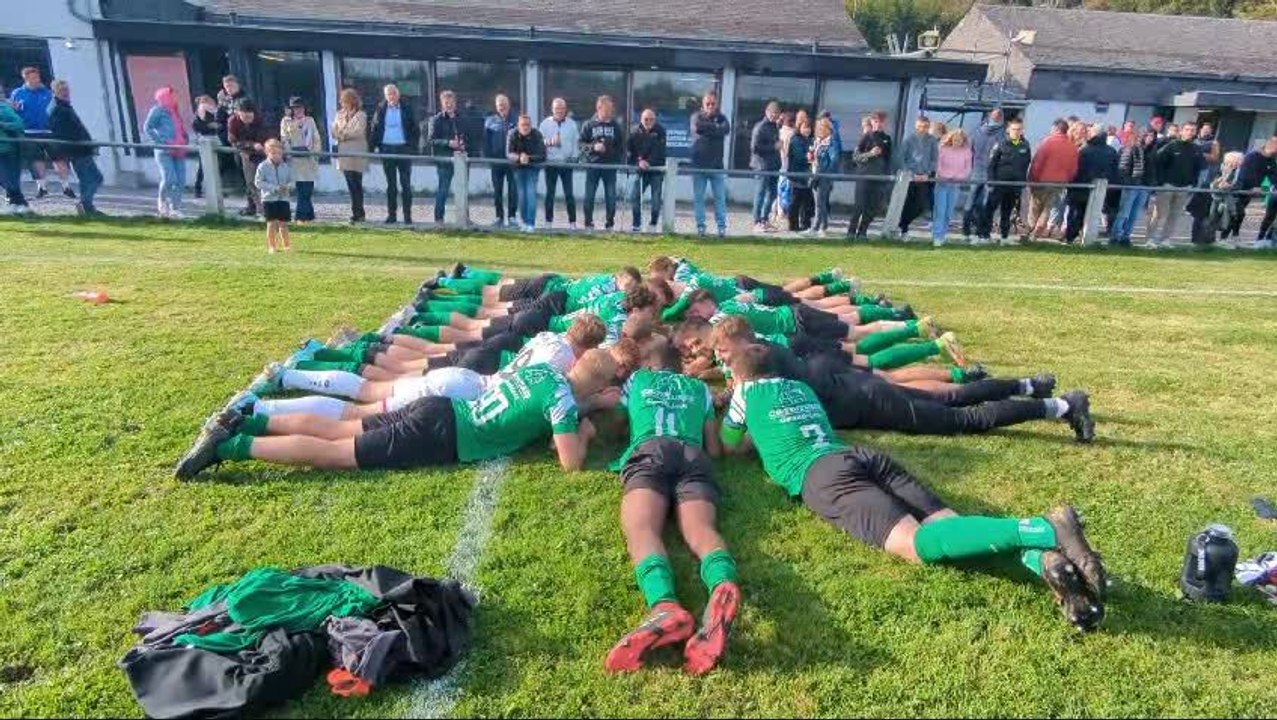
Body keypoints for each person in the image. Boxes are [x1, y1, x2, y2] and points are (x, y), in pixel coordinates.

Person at [720, 345, 1107, 632]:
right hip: (859, 455)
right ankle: (1042, 560)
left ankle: (1043, 528)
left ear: (739, 377)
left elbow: (728, 444)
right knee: (950, 528)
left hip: (821, 475)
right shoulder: (800, 389)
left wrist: (738, 416)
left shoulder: (744, 394)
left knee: (916, 544)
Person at [175, 349, 619, 479]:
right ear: (597, 385)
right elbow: (570, 461)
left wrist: (587, 403)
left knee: (340, 424)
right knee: (337, 452)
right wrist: (584, 428)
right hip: (444, 434)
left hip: (442, 406)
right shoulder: (563, 405)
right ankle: (232, 445)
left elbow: (540, 399)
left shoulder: (548, 374)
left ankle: (251, 420)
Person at [710, 316, 1095, 442]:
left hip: (867, 402)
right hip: (858, 386)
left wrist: (725, 400)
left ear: (741, 343)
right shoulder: (769, 349)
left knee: (963, 418)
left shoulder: (756, 367)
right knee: (951, 399)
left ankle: (1062, 406)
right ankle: (1029, 385)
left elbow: (737, 423)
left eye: (723, 351)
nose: (721, 359)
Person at [604, 338, 741, 675]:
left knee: (642, 529)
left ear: (648, 364)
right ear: (679, 364)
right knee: (701, 530)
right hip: (694, 455)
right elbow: (714, 445)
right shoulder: (699, 388)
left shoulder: (637, 380)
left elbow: (616, 425)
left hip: (651, 451)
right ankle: (722, 582)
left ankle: (665, 604)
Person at [9, 67, 71, 199]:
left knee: (59, 159)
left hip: (49, 132)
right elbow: (13, 111)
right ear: (26, 79)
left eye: (37, 77)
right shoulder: (17, 93)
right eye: (33, 78)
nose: (36, 80)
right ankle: (42, 187)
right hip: (29, 132)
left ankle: (66, 187)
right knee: (36, 160)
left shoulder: (48, 93)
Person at [47, 80, 103, 217]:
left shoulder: (63, 106)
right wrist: (85, 143)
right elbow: (66, 133)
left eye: (66, 89)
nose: (65, 92)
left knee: (88, 179)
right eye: (61, 90)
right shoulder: (58, 109)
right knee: (95, 178)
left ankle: (87, 206)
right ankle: (84, 204)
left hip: (80, 149)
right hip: (77, 150)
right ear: (54, 92)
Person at [1146, 122, 1205, 249]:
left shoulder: (1196, 149)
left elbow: (1199, 168)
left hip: (1185, 187)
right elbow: (1156, 161)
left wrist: (1192, 183)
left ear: (1196, 132)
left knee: (1174, 215)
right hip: (1167, 185)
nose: (1190, 132)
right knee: (1159, 214)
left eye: (1193, 130)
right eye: (1187, 129)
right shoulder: (1171, 146)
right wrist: (1160, 181)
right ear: (1181, 131)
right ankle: (1150, 239)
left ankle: (1165, 239)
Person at [369, 84, 419, 225]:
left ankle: (407, 216)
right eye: (388, 94)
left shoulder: (407, 108)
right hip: (387, 149)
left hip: (403, 149)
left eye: (394, 93)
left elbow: (415, 128)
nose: (391, 96)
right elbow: (375, 127)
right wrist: (372, 148)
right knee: (391, 185)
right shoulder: (380, 108)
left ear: (398, 94)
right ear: (385, 96)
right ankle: (392, 216)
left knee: (406, 184)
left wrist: (412, 147)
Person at [976, 118, 1030, 246]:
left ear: (1022, 130)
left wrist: (1021, 184)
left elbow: (1026, 165)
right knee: (989, 210)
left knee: (1007, 211)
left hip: (1013, 186)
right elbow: (991, 165)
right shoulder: (1000, 144)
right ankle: (984, 235)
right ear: (1008, 130)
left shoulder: (1025, 145)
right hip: (998, 184)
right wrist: (991, 182)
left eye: (1019, 129)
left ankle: (1004, 237)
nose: (1016, 132)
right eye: (1014, 129)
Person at [1065, 124, 1119, 245]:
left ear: (1094, 134)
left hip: (1081, 187)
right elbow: (1114, 172)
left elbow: (1076, 169)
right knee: (1092, 216)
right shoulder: (1112, 151)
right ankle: (1087, 239)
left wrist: (1071, 185)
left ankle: (1070, 238)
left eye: (1090, 132)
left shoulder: (1084, 150)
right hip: (1101, 190)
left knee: (1076, 214)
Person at [1027, 119, 1080, 241]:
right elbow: (1073, 168)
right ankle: (1037, 233)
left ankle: (1031, 231)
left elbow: (1037, 163)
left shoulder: (1047, 142)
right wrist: (1067, 179)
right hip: (1060, 183)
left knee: (1035, 207)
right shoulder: (1072, 147)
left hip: (1042, 181)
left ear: (1056, 129)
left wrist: (1031, 179)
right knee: (1048, 208)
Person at [579, 95, 624, 231]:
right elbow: (581, 144)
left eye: (611, 109)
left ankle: (610, 224)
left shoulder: (616, 126)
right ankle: (588, 223)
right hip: (593, 166)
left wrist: (611, 151)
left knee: (611, 196)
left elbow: (621, 147)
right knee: (589, 196)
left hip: (610, 167)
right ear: (599, 108)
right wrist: (593, 147)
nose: (610, 111)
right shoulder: (589, 124)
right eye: (607, 109)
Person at [143, 86, 189, 219]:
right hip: (165, 150)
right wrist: (162, 141)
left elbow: (180, 128)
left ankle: (175, 208)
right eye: (173, 95)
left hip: (179, 149)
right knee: (169, 178)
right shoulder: (157, 110)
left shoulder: (175, 111)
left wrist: (185, 139)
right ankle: (162, 202)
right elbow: (147, 127)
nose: (175, 98)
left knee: (180, 180)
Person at [689, 92, 731, 237]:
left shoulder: (722, 118)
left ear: (717, 104)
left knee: (720, 198)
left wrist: (710, 128)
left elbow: (725, 129)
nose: (711, 106)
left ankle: (721, 227)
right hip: (699, 166)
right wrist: (715, 128)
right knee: (699, 198)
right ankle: (701, 227)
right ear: (703, 104)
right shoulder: (696, 117)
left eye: (713, 103)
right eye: (708, 104)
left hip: (717, 167)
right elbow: (699, 127)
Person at [847, 110, 892, 239]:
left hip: (878, 178)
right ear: (872, 122)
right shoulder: (867, 137)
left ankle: (863, 232)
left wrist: (886, 177)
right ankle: (851, 232)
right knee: (859, 206)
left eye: (881, 122)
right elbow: (855, 157)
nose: (879, 124)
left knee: (872, 207)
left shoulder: (887, 139)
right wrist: (870, 154)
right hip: (864, 176)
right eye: (876, 121)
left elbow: (888, 160)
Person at [425, 90, 467, 224]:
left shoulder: (461, 118)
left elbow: (468, 135)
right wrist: (449, 143)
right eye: (446, 102)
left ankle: (464, 218)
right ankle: (439, 218)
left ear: (455, 103)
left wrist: (464, 144)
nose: (449, 105)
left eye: (451, 102)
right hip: (445, 160)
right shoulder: (435, 120)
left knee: (463, 189)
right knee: (443, 189)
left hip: (461, 159)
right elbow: (431, 140)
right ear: (442, 104)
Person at [963, 108, 1004, 239]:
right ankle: (980, 231)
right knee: (984, 202)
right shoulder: (1001, 135)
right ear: (1001, 118)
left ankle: (966, 229)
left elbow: (970, 151)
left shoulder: (977, 132)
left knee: (971, 199)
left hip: (976, 168)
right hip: (990, 172)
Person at [1111, 130, 1156, 247]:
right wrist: (1129, 183)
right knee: (1124, 212)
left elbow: (1153, 170)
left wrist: (1151, 184)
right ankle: (1116, 236)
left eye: (1152, 135)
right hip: (1132, 185)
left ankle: (1126, 236)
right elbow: (1123, 168)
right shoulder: (1131, 149)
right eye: (1147, 135)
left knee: (1135, 214)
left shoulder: (1152, 151)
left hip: (1145, 186)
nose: (1150, 138)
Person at [540, 97, 579, 229]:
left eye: (562, 108)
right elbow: (539, 143)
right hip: (550, 164)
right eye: (557, 108)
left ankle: (572, 223)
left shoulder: (572, 124)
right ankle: (548, 222)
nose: (559, 111)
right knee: (550, 194)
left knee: (569, 194)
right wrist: (550, 142)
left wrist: (573, 159)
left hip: (566, 164)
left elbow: (575, 144)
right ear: (552, 109)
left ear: (565, 109)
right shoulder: (545, 124)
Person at [227, 98, 270, 217]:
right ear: (238, 113)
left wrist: (257, 146)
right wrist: (250, 145)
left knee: (262, 181)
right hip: (245, 153)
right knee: (250, 182)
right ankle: (257, 208)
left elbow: (264, 139)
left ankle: (266, 209)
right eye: (245, 117)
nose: (248, 120)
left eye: (250, 117)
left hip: (262, 152)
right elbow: (233, 140)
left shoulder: (260, 119)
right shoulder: (233, 121)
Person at [279, 97, 320, 223]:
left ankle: (308, 216)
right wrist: (290, 152)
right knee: (301, 189)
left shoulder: (310, 120)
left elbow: (316, 138)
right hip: (295, 159)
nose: (298, 110)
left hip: (309, 159)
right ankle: (301, 217)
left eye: (300, 107)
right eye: (295, 108)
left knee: (308, 188)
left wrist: (315, 153)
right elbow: (284, 138)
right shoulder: (286, 121)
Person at [331, 88, 368, 224]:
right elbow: (334, 130)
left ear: (351, 101)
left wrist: (342, 134)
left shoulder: (361, 115)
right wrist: (342, 134)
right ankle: (355, 212)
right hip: (344, 153)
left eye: (344, 101)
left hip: (356, 153)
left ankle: (360, 212)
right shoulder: (339, 114)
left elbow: (357, 131)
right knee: (350, 184)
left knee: (357, 183)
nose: (342, 104)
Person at [896, 116, 938, 237]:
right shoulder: (909, 139)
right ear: (916, 126)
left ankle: (903, 223)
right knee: (907, 203)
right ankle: (904, 230)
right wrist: (909, 173)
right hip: (910, 177)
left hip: (924, 177)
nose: (922, 129)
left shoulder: (932, 140)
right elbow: (901, 158)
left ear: (928, 127)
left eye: (925, 127)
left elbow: (934, 159)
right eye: (920, 126)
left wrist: (928, 173)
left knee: (920, 206)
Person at [627, 108, 666, 233]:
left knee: (655, 200)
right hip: (640, 170)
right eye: (646, 119)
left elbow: (660, 152)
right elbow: (629, 152)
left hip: (656, 171)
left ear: (655, 120)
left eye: (651, 119)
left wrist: (648, 162)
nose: (648, 121)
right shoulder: (634, 131)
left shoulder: (660, 131)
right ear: (641, 119)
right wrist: (639, 161)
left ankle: (653, 224)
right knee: (635, 196)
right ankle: (636, 224)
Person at [1236, 135, 1277, 249]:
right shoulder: (1252, 156)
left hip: (1251, 192)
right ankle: (1226, 238)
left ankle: (1261, 240)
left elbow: (1274, 176)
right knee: (1235, 213)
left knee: (1240, 214)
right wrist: (1255, 186)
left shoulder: (1271, 160)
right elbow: (1246, 174)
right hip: (1240, 189)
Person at [506, 113, 546, 232]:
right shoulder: (512, 134)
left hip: (532, 168)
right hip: (518, 168)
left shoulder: (537, 134)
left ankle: (531, 223)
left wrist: (528, 158)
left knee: (531, 194)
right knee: (522, 196)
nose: (525, 127)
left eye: (527, 124)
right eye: (523, 125)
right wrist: (519, 158)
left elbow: (542, 155)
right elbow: (509, 153)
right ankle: (524, 221)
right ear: (518, 125)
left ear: (531, 125)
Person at [932, 128, 972, 247]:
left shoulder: (967, 151)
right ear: (950, 139)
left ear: (963, 141)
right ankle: (937, 236)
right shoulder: (943, 149)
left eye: (959, 140)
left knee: (949, 211)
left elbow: (968, 168)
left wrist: (959, 177)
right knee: (940, 210)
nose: (957, 142)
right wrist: (944, 175)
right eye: (955, 139)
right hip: (942, 182)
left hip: (956, 184)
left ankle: (943, 235)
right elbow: (937, 165)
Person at [484, 94, 518, 228]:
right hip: (496, 162)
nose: (502, 106)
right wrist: (489, 157)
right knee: (497, 190)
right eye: (499, 105)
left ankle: (512, 217)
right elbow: (486, 142)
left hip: (513, 163)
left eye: (504, 104)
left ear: (509, 104)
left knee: (513, 190)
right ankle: (499, 217)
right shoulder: (490, 121)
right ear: (496, 106)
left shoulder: (517, 119)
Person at [254, 139, 294, 253]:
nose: (277, 156)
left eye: (279, 153)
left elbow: (292, 181)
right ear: (267, 153)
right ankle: (272, 246)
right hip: (269, 199)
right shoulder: (263, 166)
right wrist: (274, 188)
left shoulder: (286, 167)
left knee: (283, 223)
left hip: (283, 198)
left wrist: (288, 187)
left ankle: (287, 245)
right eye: (273, 153)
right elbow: (258, 182)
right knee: (271, 223)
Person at [750, 101, 782, 233]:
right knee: (760, 193)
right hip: (762, 166)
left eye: (776, 113)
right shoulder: (760, 127)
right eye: (772, 113)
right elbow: (754, 148)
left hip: (773, 166)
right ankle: (756, 221)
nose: (774, 115)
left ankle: (764, 219)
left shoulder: (774, 126)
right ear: (767, 112)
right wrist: (773, 147)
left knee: (773, 193)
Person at [215, 75, 247, 191]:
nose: (229, 88)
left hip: (244, 138)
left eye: (231, 86)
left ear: (237, 85)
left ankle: (253, 200)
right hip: (229, 139)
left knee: (246, 168)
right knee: (237, 166)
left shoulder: (245, 99)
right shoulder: (224, 102)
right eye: (227, 86)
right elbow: (219, 121)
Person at [0, 98, 32, 214]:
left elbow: (19, 124)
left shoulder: (3, 109)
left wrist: (2, 124)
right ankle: (16, 203)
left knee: (9, 180)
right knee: (7, 180)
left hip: (7, 151)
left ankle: (19, 204)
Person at [808, 117, 838, 236]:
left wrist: (823, 171)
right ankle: (823, 227)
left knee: (820, 203)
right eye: (818, 128)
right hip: (815, 174)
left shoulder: (832, 143)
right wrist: (811, 157)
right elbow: (815, 158)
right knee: (820, 203)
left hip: (824, 176)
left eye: (822, 128)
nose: (819, 130)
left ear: (828, 129)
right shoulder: (817, 141)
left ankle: (815, 228)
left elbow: (834, 160)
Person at [786, 117, 814, 232]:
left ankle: (805, 225)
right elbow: (799, 157)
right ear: (799, 128)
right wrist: (808, 157)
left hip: (807, 176)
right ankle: (793, 226)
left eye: (809, 128)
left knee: (807, 201)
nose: (807, 130)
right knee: (796, 202)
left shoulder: (810, 140)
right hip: (797, 176)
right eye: (805, 127)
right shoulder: (796, 139)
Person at [191, 95, 221, 198]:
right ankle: (197, 188)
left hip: (215, 138)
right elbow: (196, 127)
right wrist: (208, 126)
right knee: (203, 166)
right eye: (205, 102)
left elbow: (220, 122)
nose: (207, 103)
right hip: (205, 139)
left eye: (208, 101)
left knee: (218, 163)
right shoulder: (200, 112)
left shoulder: (215, 111)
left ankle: (217, 188)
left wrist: (217, 126)